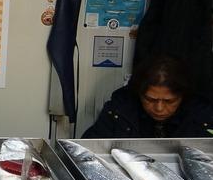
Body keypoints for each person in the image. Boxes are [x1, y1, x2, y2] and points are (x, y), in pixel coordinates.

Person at [82, 55, 213, 139]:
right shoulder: (119, 110)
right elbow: (88, 150)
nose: (159, 108)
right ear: (138, 93)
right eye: (150, 99)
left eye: (170, 101)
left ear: (183, 96)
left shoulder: (202, 115)